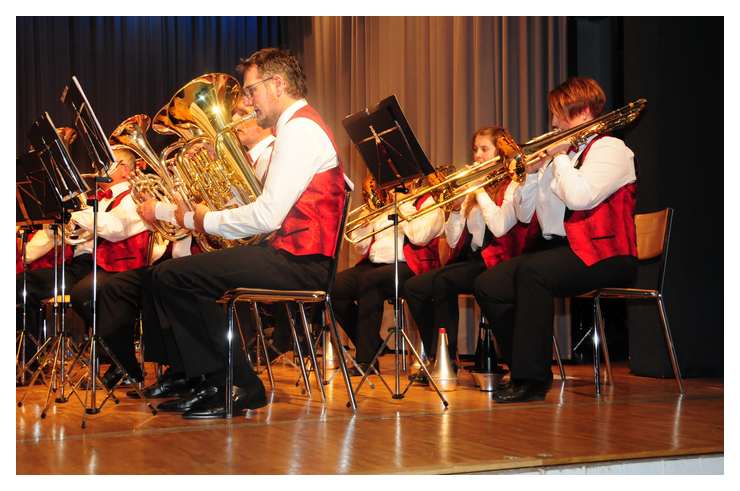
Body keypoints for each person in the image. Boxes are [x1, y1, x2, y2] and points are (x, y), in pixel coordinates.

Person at [147, 47, 349, 419]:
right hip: (290, 255)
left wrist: (204, 221)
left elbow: (268, 215)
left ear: (277, 85)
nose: (248, 101)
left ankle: (238, 384)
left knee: (177, 277)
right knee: (168, 275)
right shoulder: (296, 127)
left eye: (251, 90)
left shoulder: (301, 130)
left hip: (301, 262)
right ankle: (213, 380)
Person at [474, 77, 639, 403]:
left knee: (533, 273)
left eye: (559, 114)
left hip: (605, 252)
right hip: (563, 250)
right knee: (488, 284)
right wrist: (533, 172)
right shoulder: (557, 160)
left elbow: (580, 197)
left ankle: (532, 380)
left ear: (584, 112)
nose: (552, 123)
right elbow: (524, 216)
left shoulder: (611, 150)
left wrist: (560, 157)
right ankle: (521, 366)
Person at [404, 127, 539, 365]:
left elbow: (500, 227)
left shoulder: (513, 183)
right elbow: (453, 241)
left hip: (504, 261)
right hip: (476, 261)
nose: (477, 155)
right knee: (415, 287)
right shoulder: (473, 191)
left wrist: (478, 190)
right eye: (475, 149)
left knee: (444, 281)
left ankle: (450, 360)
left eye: (484, 149)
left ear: (501, 152)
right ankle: (441, 356)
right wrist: (456, 210)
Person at [67, 148, 166, 386]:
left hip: (132, 266)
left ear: (125, 169)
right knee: (84, 294)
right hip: (107, 266)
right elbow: (85, 234)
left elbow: (115, 229)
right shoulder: (104, 199)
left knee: (86, 293)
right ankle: (120, 360)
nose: (99, 168)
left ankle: (121, 362)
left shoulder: (135, 195)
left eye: (106, 162)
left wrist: (79, 214)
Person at [332, 174, 444, 375]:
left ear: (414, 180)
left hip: (411, 266)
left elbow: (419, 238)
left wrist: (401, 206)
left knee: (370, 281)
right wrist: (366, 222)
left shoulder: (428, 202)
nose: (392, 185)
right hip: (374, 266)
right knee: (335, 287)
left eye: (399, 180)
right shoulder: (381, 205)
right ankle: (372, 345)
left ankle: (366, 360)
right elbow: (360, 246)